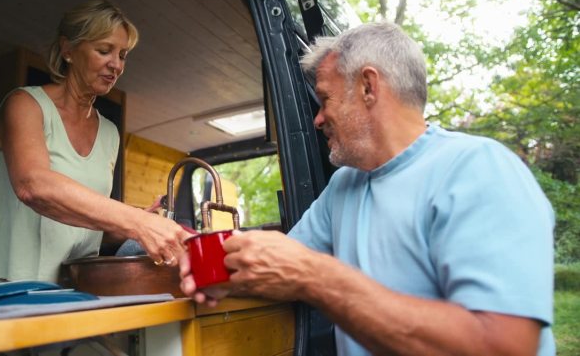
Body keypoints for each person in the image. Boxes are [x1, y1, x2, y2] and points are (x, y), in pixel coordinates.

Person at [180, 22, 555, 355]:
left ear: (368, 87)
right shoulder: (346, 183)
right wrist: (214, 274)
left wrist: (317, 277)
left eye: (325, 98)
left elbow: (505, 346)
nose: (317, 119)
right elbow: (281, 268)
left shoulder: (477, 168)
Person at [0, 0, 192, 291]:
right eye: (104, 50)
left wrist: (138, 224)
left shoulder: (109, 133)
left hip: (65, 290)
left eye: (123, 55)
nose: (116, 64)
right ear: (68, 50)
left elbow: (82, 226)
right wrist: (136, 221)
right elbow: (33, 185)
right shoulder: (25, 104)